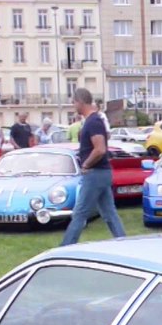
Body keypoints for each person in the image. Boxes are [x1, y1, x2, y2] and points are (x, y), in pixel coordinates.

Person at [62, 89, 126, 245]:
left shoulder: (93, 122)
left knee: (79, 213)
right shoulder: (93, 121)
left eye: (74, 102)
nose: (73, 106)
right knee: (109, 213)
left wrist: (86, 164)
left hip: (95, 173)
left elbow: (100, 149)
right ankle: (124, 242)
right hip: (101, 173)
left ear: (80, 102)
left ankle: (66, 247)